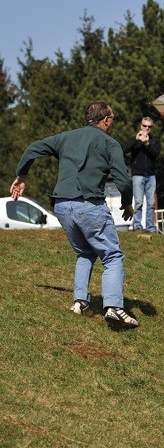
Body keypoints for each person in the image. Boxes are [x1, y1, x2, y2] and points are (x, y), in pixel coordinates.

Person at [9, 102, 139, 327]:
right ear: (105, 120)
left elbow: (32, 149)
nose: (113, 122)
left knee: (85, 252)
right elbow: (124, 180)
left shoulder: (65, 137)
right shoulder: (110, 143)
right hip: (88, 205)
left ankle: (80, 302)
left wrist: (21, 177)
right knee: (112, 256)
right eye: (113, 118)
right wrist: (127, 204)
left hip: (62, 206)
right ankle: (114, 308)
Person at [122, 116, 161, 232]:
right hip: (137, 175)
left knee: (151, 204)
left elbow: (155, 154)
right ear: (141, 126)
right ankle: (137, 226)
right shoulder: (135, 141)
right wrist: (136, 139)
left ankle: (150, 227)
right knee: (138, 202)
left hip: (151, 176)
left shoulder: (154, 141)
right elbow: (124, 149)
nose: (147, 128)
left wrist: (147, 144)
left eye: (149, 126)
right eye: (145, 126)